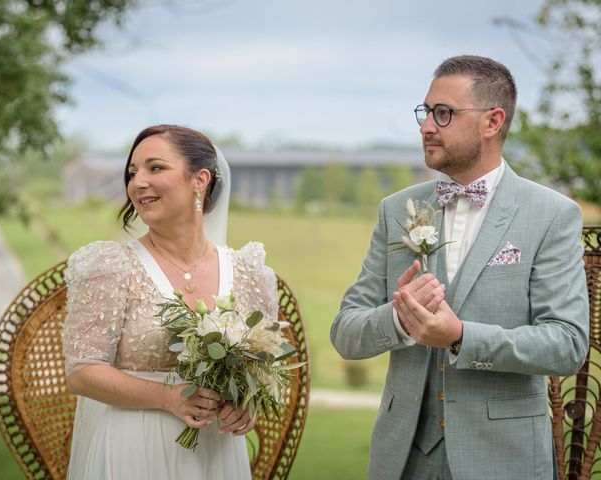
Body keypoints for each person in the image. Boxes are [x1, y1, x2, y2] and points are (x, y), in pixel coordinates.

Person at [330, 55, 589, 480]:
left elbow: (566, 344)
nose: (426, 126)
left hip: (502, 460)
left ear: (492, 121)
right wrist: (397, 319)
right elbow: (345, 332)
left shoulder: (551, 215)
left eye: (443, 113)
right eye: (426, 111)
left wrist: (461, 337)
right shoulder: (396, 210)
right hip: (402, 458)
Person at [62, 125, 279, 479]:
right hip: (134, 449)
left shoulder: (250, 273)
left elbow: (261, 372)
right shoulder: (111, 266)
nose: (138, 182)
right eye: (132, 173)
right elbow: (82, 373)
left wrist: (246, 405)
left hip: (216, 455)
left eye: (155, 168)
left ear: (200, 179)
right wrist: (167, 396)